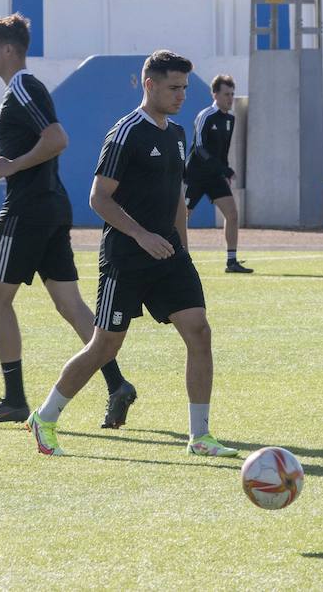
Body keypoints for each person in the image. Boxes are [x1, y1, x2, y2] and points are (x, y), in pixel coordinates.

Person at [26, 50, 238, 458]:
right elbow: (98, 199)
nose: (180, 96)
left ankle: (200, 436)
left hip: (169, 256)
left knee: (199, 331)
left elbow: (177, 196)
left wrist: (183, 250)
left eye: (184, 88)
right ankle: (45, 416)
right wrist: (141, 235)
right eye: (173, 88)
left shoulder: (177, 134)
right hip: (126, 256)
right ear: (150, 85)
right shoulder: (125, 132)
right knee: (104, 347)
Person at [0, 14, 137, 429]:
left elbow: (57, 139)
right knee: (69, 304)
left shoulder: (22, 86)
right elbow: (36, 147)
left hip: (27, 209)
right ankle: (117, 384)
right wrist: (0, 159)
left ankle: (13, 399)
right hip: (49, 206)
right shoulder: (21, 90)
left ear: (9, 49)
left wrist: (12, 167)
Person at [186, 74, 251, 274]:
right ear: (215, 94)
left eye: (232, 94)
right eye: (226, 94)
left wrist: (224, 172)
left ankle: (231, 261)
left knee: (232, 214)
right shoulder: (206, 115)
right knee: (181, 217)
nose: (230, 98)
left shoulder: (230, 120)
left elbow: (222, 153)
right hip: (195, 175)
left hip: (215, 176)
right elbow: (199, 147)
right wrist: (223, 169)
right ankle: (178, 258)